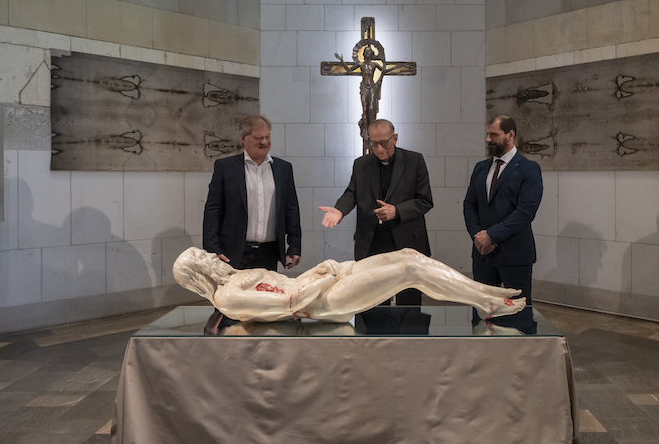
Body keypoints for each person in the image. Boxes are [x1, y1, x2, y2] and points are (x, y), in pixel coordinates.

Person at [173, 246, 525, 323]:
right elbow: (292, 304)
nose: (212, 255)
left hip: (323, 282)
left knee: (409, 255)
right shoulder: (229, 296)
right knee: (409, 273)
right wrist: (323, 278)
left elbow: (290, 283)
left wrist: (319, 270)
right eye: (204, 257)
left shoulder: (235, 277)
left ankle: (484, 292)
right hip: (325, 302)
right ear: (198, 274)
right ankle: (486, 301)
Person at [317, 119, 433, 305]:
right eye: (374, 143)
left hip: (406, 242)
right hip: (372, 243)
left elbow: (425, 201)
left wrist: (397, 211)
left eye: (384, 143)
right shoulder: (362, 164)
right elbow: (352, 193)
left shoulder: (414, 161)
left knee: (409, 303)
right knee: (371, 302)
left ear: (395, 138)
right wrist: (339, 210)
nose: (379, 149)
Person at [202, 115, 302, 271]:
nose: (264, 142)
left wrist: (295, 245)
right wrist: (212, 248)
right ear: (244, 139)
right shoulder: (225, 168)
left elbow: (291, 209)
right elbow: (213, 209)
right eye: (258, 137)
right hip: (233, 253)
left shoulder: (284, 169)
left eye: (267, 137)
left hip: (269, 252)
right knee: (233, 295)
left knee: (267, 294)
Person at [463, 115, 543, 304]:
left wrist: (491, 235)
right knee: (483, 311)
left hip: (514, 255)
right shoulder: (480, 168)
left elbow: (525, 212)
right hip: (483, 254)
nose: (488, 139)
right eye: (487, 134)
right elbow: (469, 205)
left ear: (510, 135)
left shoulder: (529, 169)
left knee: (518, 314)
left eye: (494, 135)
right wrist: (478, 236)